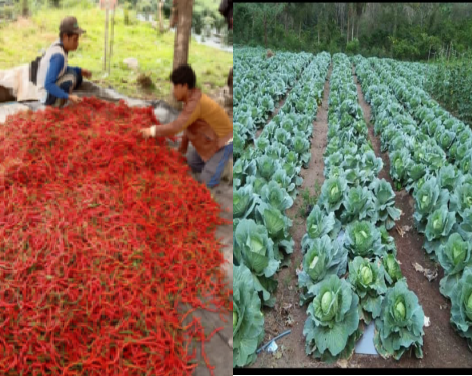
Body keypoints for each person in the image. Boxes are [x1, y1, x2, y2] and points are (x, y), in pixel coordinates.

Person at [139, 64, 233, 189]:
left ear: (184, 86)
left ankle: (226, 168)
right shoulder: (190, 100)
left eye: (175, 86)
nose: (173, 91)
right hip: (209, 141)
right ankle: (218, 165)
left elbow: (177, 126)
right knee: (189, 163)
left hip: (224, 142)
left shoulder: (196, 103)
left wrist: (152, 130)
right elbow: (188, 127)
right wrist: (182, 148)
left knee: (206, 183)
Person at [36, 16, 92, 107]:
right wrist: (69, 96)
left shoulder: (60, 46)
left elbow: (62, 68)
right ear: (65, 37)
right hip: (45, 94)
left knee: (77, 75)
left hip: (46, 84)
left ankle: (62, 95)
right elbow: (48, 84)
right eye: (75, 39)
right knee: (71, 77)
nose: (77, 43)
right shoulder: (58, 56)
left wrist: (80, 70)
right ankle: (56, 103)